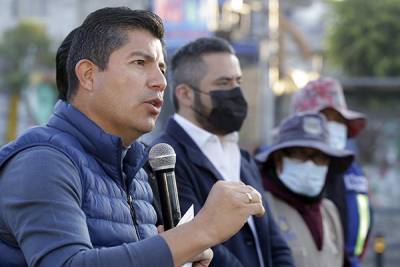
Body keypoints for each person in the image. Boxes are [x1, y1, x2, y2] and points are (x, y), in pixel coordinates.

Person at [0, 7, 266, 267]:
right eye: (140, 63)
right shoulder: (42, 161)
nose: (160, 81)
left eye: (161, 67)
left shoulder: (137, 171)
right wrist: (201, 230)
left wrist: (177, 252)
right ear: (88, 75)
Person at [153, 37, 294, 267]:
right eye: (223, 83)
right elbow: (201, 246)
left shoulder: (242, 158)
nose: (235, 92)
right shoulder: (167, 160)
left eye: (237, 82)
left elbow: (273, 240)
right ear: (185, 94)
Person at [291, 77, 373, 267]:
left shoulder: (354, 174)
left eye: (339, 120)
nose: (333, 125)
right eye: (324, 117)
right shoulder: (284, 173)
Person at [255, 112, 354, 267]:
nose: (310, 164)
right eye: (300, 154)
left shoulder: (329, 211)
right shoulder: (261, 207)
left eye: (319, 157)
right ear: (278, 158)